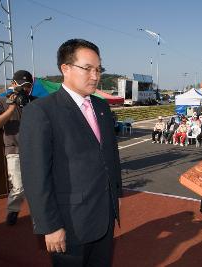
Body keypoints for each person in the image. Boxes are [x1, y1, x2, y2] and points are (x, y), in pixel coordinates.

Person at [19, 39, 122, 266]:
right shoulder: (41, 112)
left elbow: (111, 156)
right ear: (65, 68)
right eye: (88, 68)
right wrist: (50, 226)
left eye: (98, 69)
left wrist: (117, 196)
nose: (95, 76)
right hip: (69, 223)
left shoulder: (102, 107)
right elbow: (36, 176)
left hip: (105, 216)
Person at [0, 70, 35, 226]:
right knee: (19, 186)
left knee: (39, 184)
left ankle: (41, 214)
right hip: (14, 150)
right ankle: (14, 209)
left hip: (34, 151)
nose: (25, 89)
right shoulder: (1, 102)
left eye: (28, 86)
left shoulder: (34, 102)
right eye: (22, 86)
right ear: (13, 85)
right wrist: (11, 108)